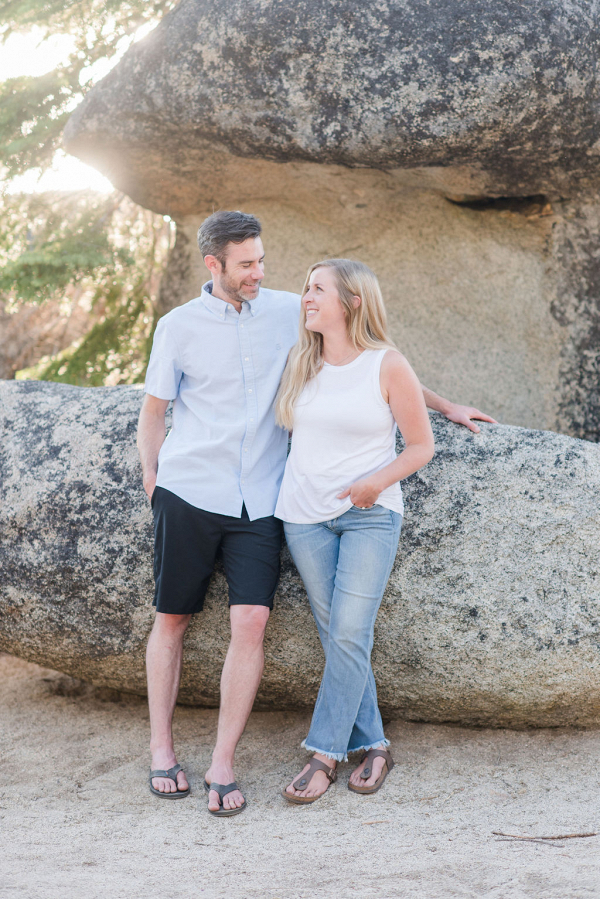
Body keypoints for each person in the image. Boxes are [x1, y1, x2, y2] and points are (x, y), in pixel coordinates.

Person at [137, 211, 496, 816]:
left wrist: (446, 405)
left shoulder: (287, 311)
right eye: (246, 263)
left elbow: (383, 366)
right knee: (180, 619)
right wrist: (153, 482)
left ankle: (268, 758)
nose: (261, 273)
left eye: (261, 260)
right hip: (205, 494)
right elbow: (153, 411)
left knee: (274, 626)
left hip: (266, 502)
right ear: (214, 265)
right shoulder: (184, 328)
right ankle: (164, 751)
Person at [276, 258, 434, 802]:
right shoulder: (301, 359)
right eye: (305, 288)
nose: (306, 297)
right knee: (338, 634)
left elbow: (420, 445)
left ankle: (323, 753)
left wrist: (372, 482)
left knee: (347, 630)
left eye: (318, 288)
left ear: (353, 302)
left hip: (370, 515)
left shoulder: (387, 364)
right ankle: (375, 743)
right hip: (302, 517)